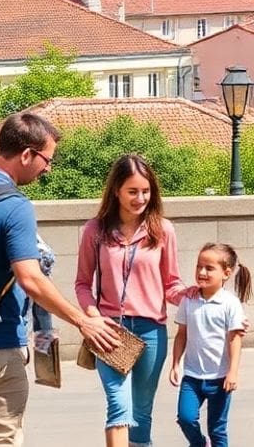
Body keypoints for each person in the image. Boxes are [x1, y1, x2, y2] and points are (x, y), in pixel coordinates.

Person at [0, 112, 120, 447]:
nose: (48, 168)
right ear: (26, 154)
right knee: (2, 439)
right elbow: (30, 278)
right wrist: (81, 321)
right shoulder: (15, 206)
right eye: (46, 159)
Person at [76, 154, 187, 447]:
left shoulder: (163, 230)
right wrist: (93, 316)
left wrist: (193, 296)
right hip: (110, 331)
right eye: (133, 191)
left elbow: (171, 284)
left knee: (141, 412)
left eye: (146, 191)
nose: (141, 198)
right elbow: (83, 283)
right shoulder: (95, 230)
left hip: (152, 332)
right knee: (118, 407)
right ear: (116, 190)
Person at [169, 243, 252, 447]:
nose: (202, 272)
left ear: (226, 273)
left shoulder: (230, 304)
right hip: (192, 377)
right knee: (186, 418)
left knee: (217, 429)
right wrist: (175, 364)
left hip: (219, 379)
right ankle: (198, 443)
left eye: (209, 268)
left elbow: (235, 339)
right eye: (199, 266)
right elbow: (181, 335)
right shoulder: (188, 301)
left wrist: (232, 372)